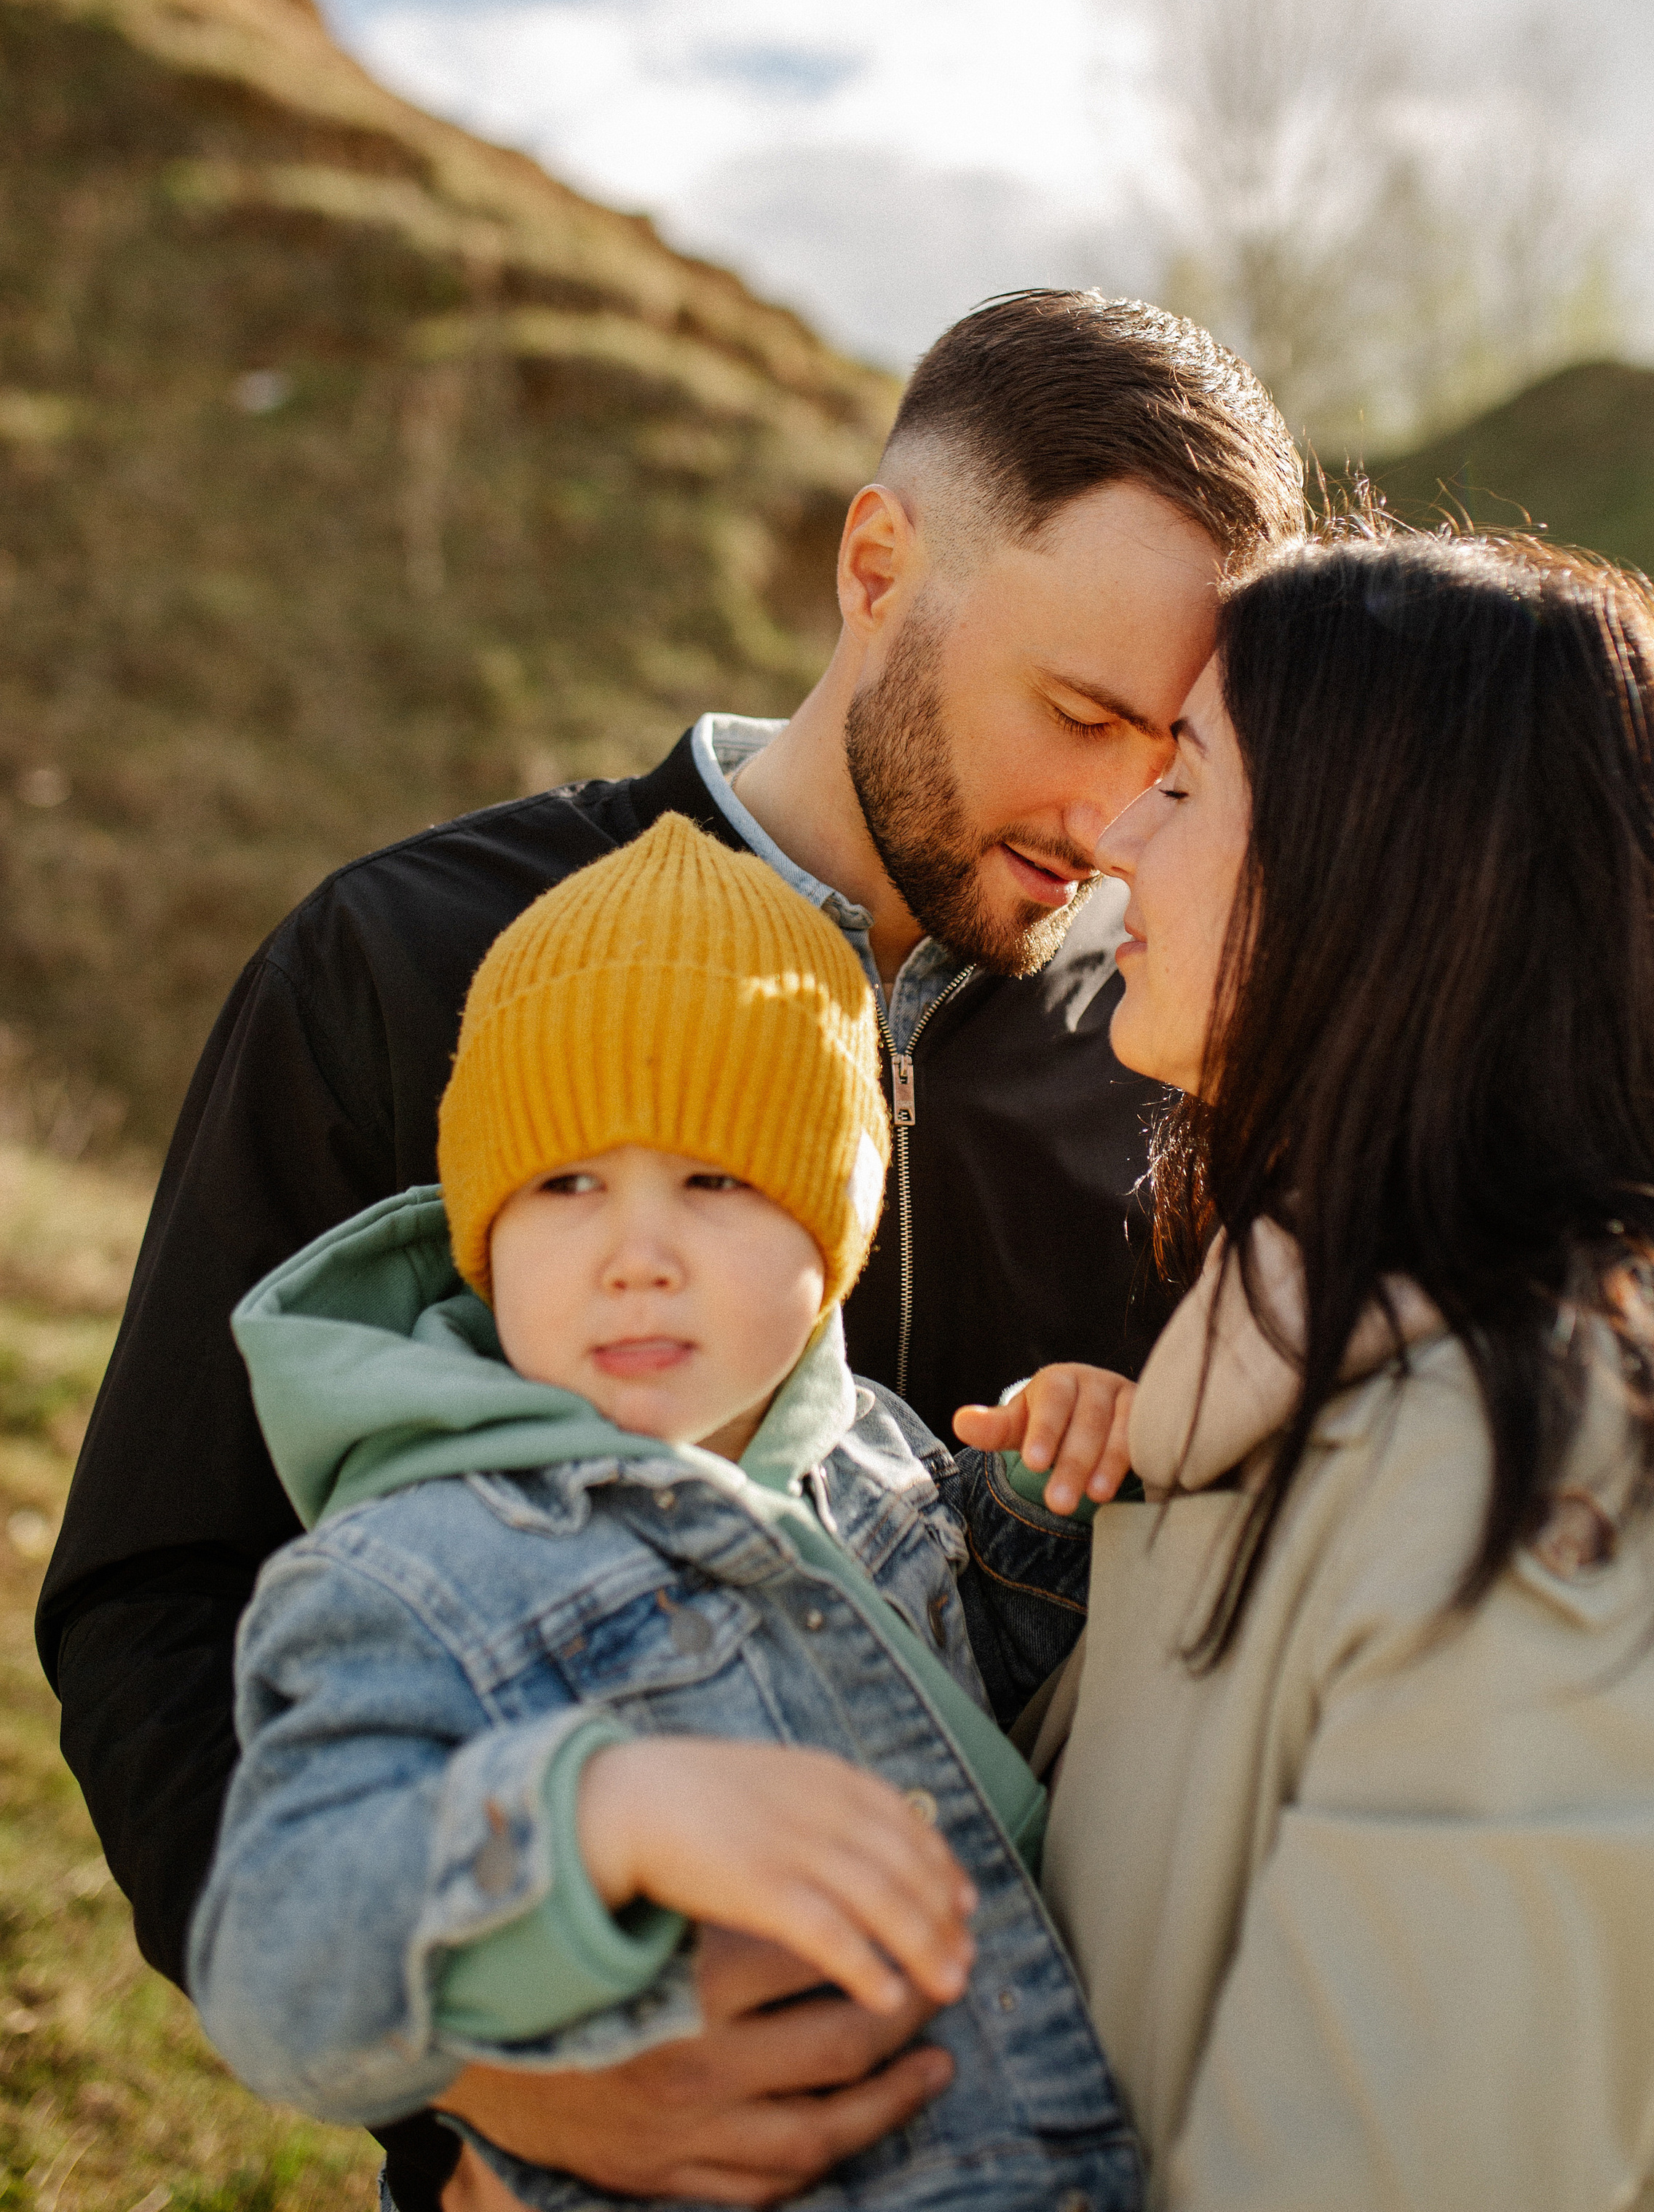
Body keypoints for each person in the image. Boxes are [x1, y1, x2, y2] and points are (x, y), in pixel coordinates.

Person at [39, 290, 1305, 2212]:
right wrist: (473, 2094)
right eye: (1077, 714)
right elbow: (156, 1600)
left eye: (1176, 755)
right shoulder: (401, 965)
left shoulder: (1148, 1069)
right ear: (876, 563)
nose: (1114, 819)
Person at [1036, 528, 1654, 2211]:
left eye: (1181, 788)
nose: (1112, 837)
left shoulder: (1563, 1489)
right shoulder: (1310, 1346)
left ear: (1382, 869)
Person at [189, 815, 1143, 2212]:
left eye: (714, 1182)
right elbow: (273, 1961)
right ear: (483, 1232)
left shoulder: (871, 1456)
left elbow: (958, 1699)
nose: (636, 1257)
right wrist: (593, 1816)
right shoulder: (411, 1569)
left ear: (832, 1241)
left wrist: (1039, 1500)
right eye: (565, 1187)